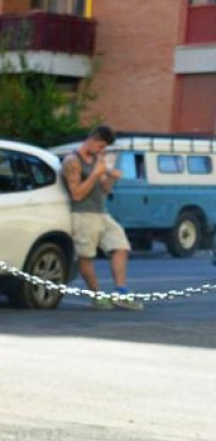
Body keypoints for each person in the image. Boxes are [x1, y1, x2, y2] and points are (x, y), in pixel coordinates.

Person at [62, 124, 141, 310]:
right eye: (101, 146)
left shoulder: (98, 158)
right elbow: (77, 195)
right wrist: (95, 174)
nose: (102, 150)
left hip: (102, 212)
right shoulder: (72, 161)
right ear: (92, 140)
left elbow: (104, 189)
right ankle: (96, 296)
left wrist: (110, 176)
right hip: (83, 214)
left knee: (120, 246)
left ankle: (121, 291)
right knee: (86, 256)